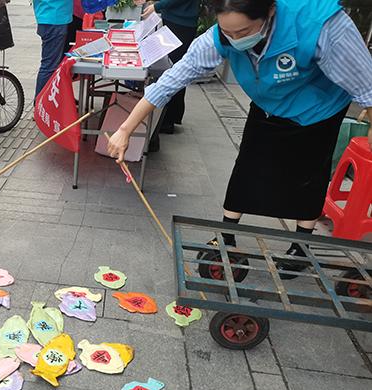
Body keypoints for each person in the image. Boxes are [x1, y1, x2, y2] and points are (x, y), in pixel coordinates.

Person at [108, 0, 372, 278]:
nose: (235, 40)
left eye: (243, 32)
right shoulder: (216, 39)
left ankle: (301, 246)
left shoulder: (319, 25)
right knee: (248, 165)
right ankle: (227, 233)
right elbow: (170, 82)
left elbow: (367, 87)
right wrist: (125, 129)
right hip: (267, 102)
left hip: (318, 108)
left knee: (307, 174)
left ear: (270, 11)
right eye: (228, 33)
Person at [136, 0, 200, 134]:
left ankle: (168, 119)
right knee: (172, 68)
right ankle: (168, 117)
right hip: (176, 19)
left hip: (181, 23)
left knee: (174, 70)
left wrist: (157, 6)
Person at [33, 0, 73, 99]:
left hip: (50, 16)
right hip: (54, 18)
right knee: (49, 66)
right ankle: (40, 102)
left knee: (51, 65)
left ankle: (49, 100)